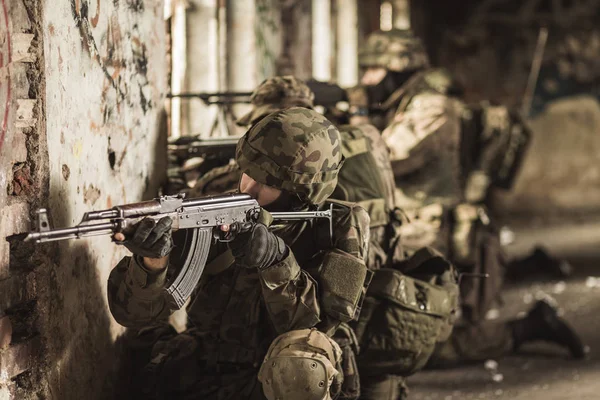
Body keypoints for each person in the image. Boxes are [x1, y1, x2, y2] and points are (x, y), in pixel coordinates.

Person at [348, 28, 585, 370]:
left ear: (398, 70)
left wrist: (355, 118)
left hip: (427, 234)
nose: (366, 79)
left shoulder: (433, 107)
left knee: (421, 346)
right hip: (406, 228)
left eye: (373, 70)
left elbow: (383, 157)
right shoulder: (398, 104)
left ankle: (527, 328)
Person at [107, 107, 372, 400]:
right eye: (248, 172)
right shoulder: (220, 204)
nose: (248, 188)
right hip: (209, 363)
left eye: (268, 183)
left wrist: (277, 261)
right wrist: (151, 263)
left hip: (281, 380)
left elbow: (318, 329)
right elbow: (132, 315)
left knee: (300, 374)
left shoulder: (338, 225)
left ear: (302, 192)